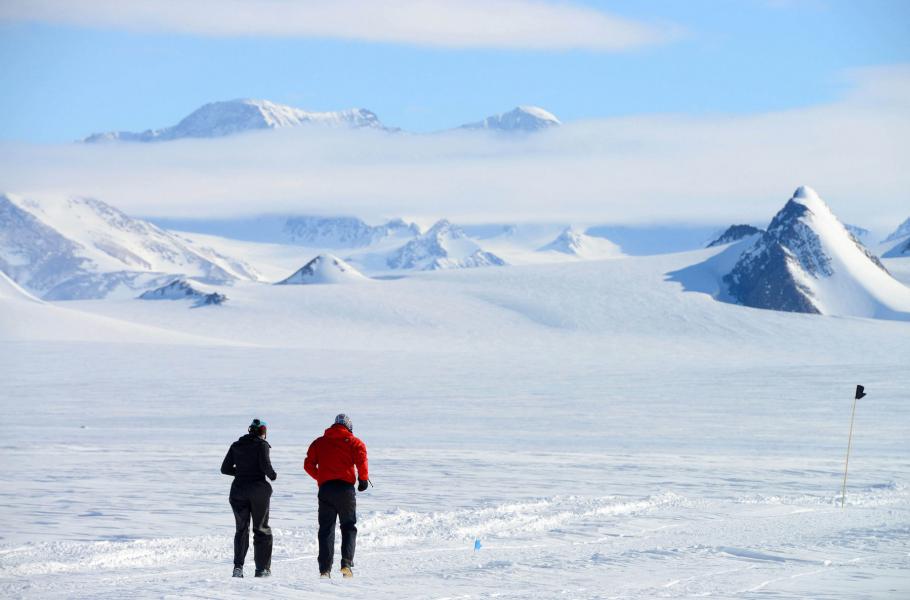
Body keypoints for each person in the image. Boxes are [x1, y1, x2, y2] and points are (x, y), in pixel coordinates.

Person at [304, 413, 369, 579]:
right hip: (345, 490)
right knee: (348, 526)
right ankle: (346, 564)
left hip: (326, 490)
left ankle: (324, 570)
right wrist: (363, 480)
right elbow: (361, 460)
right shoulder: (354, 442)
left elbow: (308, 464)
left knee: (326, 529)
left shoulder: (319, 442)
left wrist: (321, 477)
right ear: (349, 427)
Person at [221, 418, 277, 578]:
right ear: (263, 432)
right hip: (258, 490)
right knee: (261, 529)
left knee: (241, 529)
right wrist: (272, 476)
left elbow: (224, 469)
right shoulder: (262, 445)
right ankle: (262, 569)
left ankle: (238, 568)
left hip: (238, 490)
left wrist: (241, 472)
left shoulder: (236, 445)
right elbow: (266, 466)